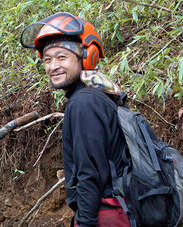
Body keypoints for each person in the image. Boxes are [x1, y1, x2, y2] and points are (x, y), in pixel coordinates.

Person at [20, 12, 130, 226]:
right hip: (122, 210)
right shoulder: (103, 94)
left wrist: (86, 223)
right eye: (48, 59)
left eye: (62, 57)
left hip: (105, 214)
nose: (53, 66)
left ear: (86, 57)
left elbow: (88, 174)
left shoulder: (83, 103)